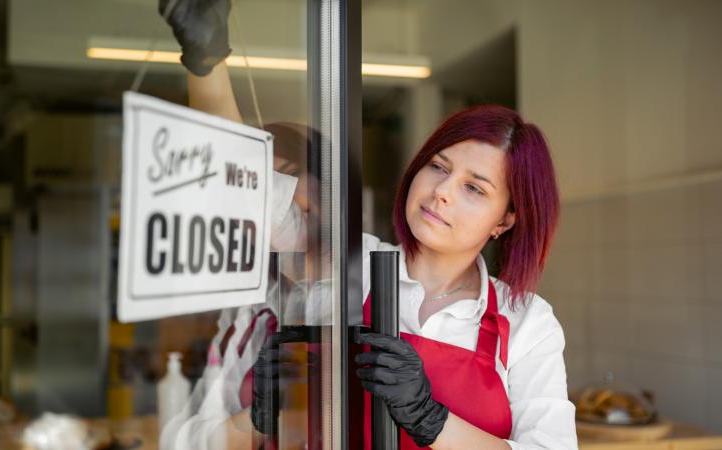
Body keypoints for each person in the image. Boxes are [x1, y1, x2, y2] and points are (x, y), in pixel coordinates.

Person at [156, 0, 578, 449]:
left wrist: (431, 420)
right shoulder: (346, 263)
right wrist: (207, 64)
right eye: (438, 166)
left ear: (506, 219)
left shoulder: (527, 321)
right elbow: (243, 193)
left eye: (475, 188)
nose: (443, 191)